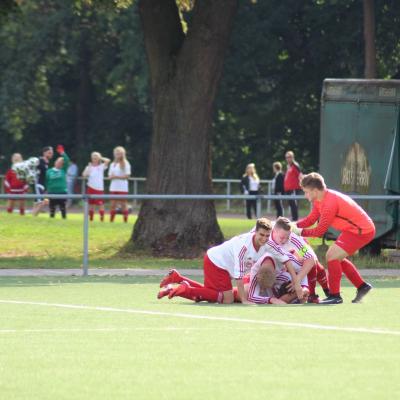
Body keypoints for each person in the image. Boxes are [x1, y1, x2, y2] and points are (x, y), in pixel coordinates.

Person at [292, 172, 375, 304]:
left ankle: (335, 296)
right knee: (336, 258)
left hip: (362, 230)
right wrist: (293, 225)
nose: (305, 195)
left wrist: (299, 232)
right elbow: (311, 219)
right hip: (353, 230)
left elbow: (319, 231)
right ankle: (362, 286)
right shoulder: (320, 199)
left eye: (306, 192)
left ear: (314, 190)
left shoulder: (329, 203)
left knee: (331, 255)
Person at [157, 218, 274, 304]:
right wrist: (244, 300)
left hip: (219, 264)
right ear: (255, 232)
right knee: (227, 299)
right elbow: (239, 276)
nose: (264, 238)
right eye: (261, 235)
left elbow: (285, 256)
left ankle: (178, 279)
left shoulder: (268, 244)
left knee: (212, 293)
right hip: (217, 263)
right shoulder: (244, 245)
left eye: (267, 236)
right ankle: (185, 289)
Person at [269, 217, 329, 303]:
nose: (285, 241)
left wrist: (297, 280)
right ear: (274, 231)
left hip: (291, 253)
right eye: (282, 238)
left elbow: (310, 258)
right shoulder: (264, 234)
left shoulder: (293, 238)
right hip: (275, 264)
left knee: (315, 265)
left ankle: (317, 293)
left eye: (287, 237)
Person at [82, 152, 110, 222]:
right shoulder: (88, 167)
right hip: (90, 188)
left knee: (101, 205)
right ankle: (91, 219)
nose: (94, 158)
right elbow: (84, 175)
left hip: (99, 189)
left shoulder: (101, 166)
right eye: (93, 157)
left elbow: (108, 160)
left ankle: (102, 219)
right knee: (91, 205)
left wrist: (100, 158)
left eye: (96, 157)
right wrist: (89, 169)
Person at [45, 145, 69, 219]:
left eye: (61, 162)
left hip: (62, 192)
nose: (59, 163)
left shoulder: (63, 170)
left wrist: (62, 153)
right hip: (52, 192)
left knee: (62, 208)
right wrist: (46, 191)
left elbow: (67, 160)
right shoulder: (49, 171)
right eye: (58, 161)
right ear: (55, 162)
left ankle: (64, 219)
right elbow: (46, 181)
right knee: (52, 208)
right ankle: (51, 220)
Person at [108, 146, 131, 223]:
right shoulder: (112, 164)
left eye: (119, 153)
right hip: (113, 187)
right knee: (112, 205)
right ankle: (111, 222)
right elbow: (109, 175)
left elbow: (127, 176)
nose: (117, 154)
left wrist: (116, 176)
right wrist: (111, 177)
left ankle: (125, 221)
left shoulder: (126, 163)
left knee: (123, 205)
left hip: (122, 188)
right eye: (116, 153)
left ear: (122, 154)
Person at [32, 146, 54, 216]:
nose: (51, 154)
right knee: (41, 202)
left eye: (51, 153)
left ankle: (32, 217)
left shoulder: (46, 163)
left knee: (37, 203)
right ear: (44, 153)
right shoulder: (40, 161)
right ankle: (33, 217)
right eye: (49, 153)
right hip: (37, 184)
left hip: (42, 185)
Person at [283, 151, 302, 221]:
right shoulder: (288, 166)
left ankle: (295, 219)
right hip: (289, 189)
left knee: (294, 204)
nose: (288, 159)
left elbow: (300, 175)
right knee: (291, 204)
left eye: (289, 157)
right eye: (286, 157)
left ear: (293, 157)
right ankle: (294, 218)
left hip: (294, 188)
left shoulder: (295, 165)